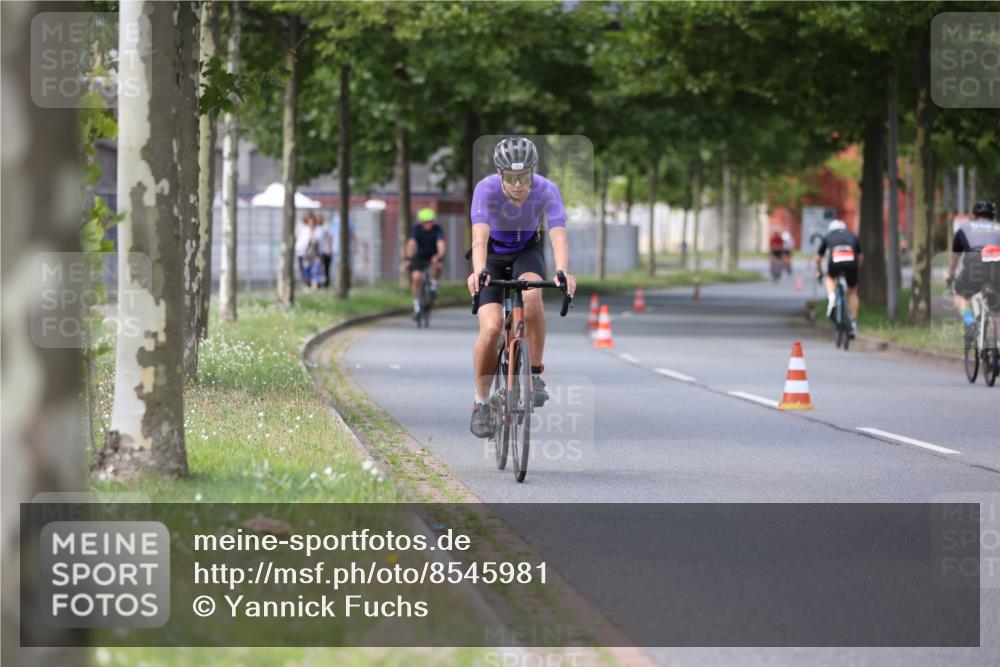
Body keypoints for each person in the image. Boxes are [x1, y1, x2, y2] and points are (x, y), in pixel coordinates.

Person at [467, 137, 576, 438]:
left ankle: (535, 373)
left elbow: (558, 235)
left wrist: (563, 271)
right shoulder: (485, 189)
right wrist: (479, 271)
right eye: (512, 177)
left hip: (527, 251)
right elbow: (478, 237)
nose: (518, 184)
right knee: (490, 330)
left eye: (524, 176)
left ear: (533, 173)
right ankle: (481, 401)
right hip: (491, 254)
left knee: (531, 299)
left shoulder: (546, 190)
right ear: (500, 174)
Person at [944, 200, 1000, 344]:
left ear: (975, 215)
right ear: (993, 215)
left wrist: (950, 274)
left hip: (975, 266)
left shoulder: (964, 229)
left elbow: (954, 258)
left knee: (959, 295)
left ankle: (970, 323)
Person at [815, 219, 862, 338]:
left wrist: (819, 271)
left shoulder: (829, 236)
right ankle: (853, 324)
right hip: (851, 263)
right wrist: (857, 269)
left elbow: (818, 258)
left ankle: (832, 298)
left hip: (835, 262)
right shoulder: (852, 235)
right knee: (852, 292)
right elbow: (861, 256)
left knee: (829, 278)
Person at [405, 207, 446, 318]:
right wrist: (408, 258)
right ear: (421, 222)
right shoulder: (416, 229)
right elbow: (411, 244)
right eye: (426, 222)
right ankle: (416, 306)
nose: (429, 224)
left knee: (438, 266)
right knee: (416, 278)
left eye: (431, 222)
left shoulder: (437, 229)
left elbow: (441, 244)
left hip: (433, 257)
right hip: (419, 257)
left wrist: (438, 256)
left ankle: (433, 285)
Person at [295, 212, 316, 285]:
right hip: (301, 250)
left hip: (309, 252)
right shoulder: (302, 227)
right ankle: (305, 282)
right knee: (303, 267)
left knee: (309, 267)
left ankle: (309, 282)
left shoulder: (311, 228)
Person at [315, 213, 334, 288]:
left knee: (326, 269)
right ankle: (318, 284)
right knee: (318, 268)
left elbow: (329, 238)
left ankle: (326, 285)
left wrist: (329, 249)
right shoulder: (316, 228)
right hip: (318, 251)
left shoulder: (325, 227)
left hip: (325, 251)